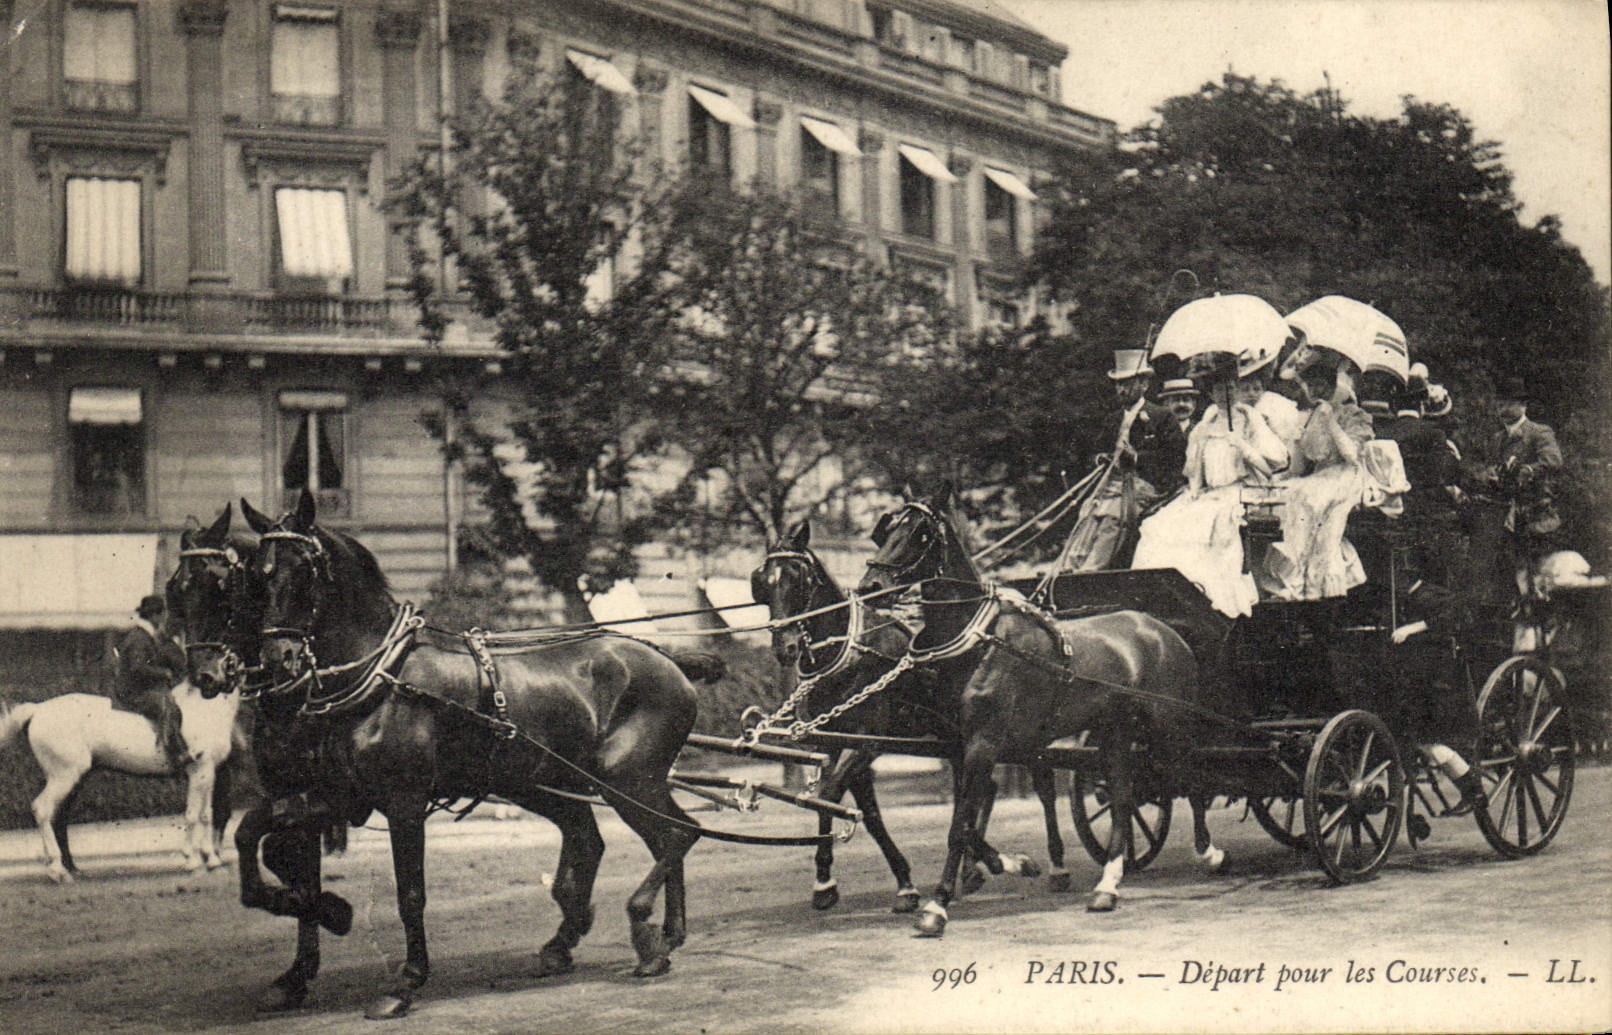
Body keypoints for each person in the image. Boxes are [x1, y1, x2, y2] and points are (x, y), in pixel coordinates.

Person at [1131, 351, 1289, 618]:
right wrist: (1194, 491)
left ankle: (1211, 598)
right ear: (1211, 393)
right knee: (1161, 524)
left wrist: (1243, 446)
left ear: (1236, 388)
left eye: (1229, 386)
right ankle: (1166, 596)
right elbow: (1193, 471)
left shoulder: (1250, 419)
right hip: (1208, 493)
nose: (1224, 393)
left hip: (1240, 492)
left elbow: (1272, 465)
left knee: (1214, 527)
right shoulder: (1205, 425)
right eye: (1218, 388)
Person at [1260, 350, 1376, 600]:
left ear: (1332, 386)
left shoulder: (1352, 414)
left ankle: (1311, 586)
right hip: (1319, 478)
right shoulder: (1306, 417)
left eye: (1321, 386)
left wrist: (1331, 420)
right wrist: (1281, 476)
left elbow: (1352, 455)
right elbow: (1299, 469)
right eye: (1310, 386)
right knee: (1290, 493)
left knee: (1309, 497)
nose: (1315, 392)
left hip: (1346, 476)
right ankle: (1292, 580)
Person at [1061, 349, 1188, 572]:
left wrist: (1137, 458)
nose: (1121, 390)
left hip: (1144, 484)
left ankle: (1091, 570)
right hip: (1110, 483)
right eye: (1118, 384)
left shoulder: (1161, 416)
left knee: (1113, 515)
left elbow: (1174, 457)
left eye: (1127, 384)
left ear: (1144, 385)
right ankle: (1068, 567)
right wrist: (1101, 458)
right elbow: (1098, 450)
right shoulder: (1113, 419)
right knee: (1089, 511)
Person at [112, 594, 191, 769]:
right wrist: (164, 673)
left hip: (138, 689)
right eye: (162, 614)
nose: (163, 618)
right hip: (133, 693)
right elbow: (137, 668)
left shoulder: (145, 636)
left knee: (170, 703)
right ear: (155, 615)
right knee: (165, 704)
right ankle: (177, 752)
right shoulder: (139, 638)